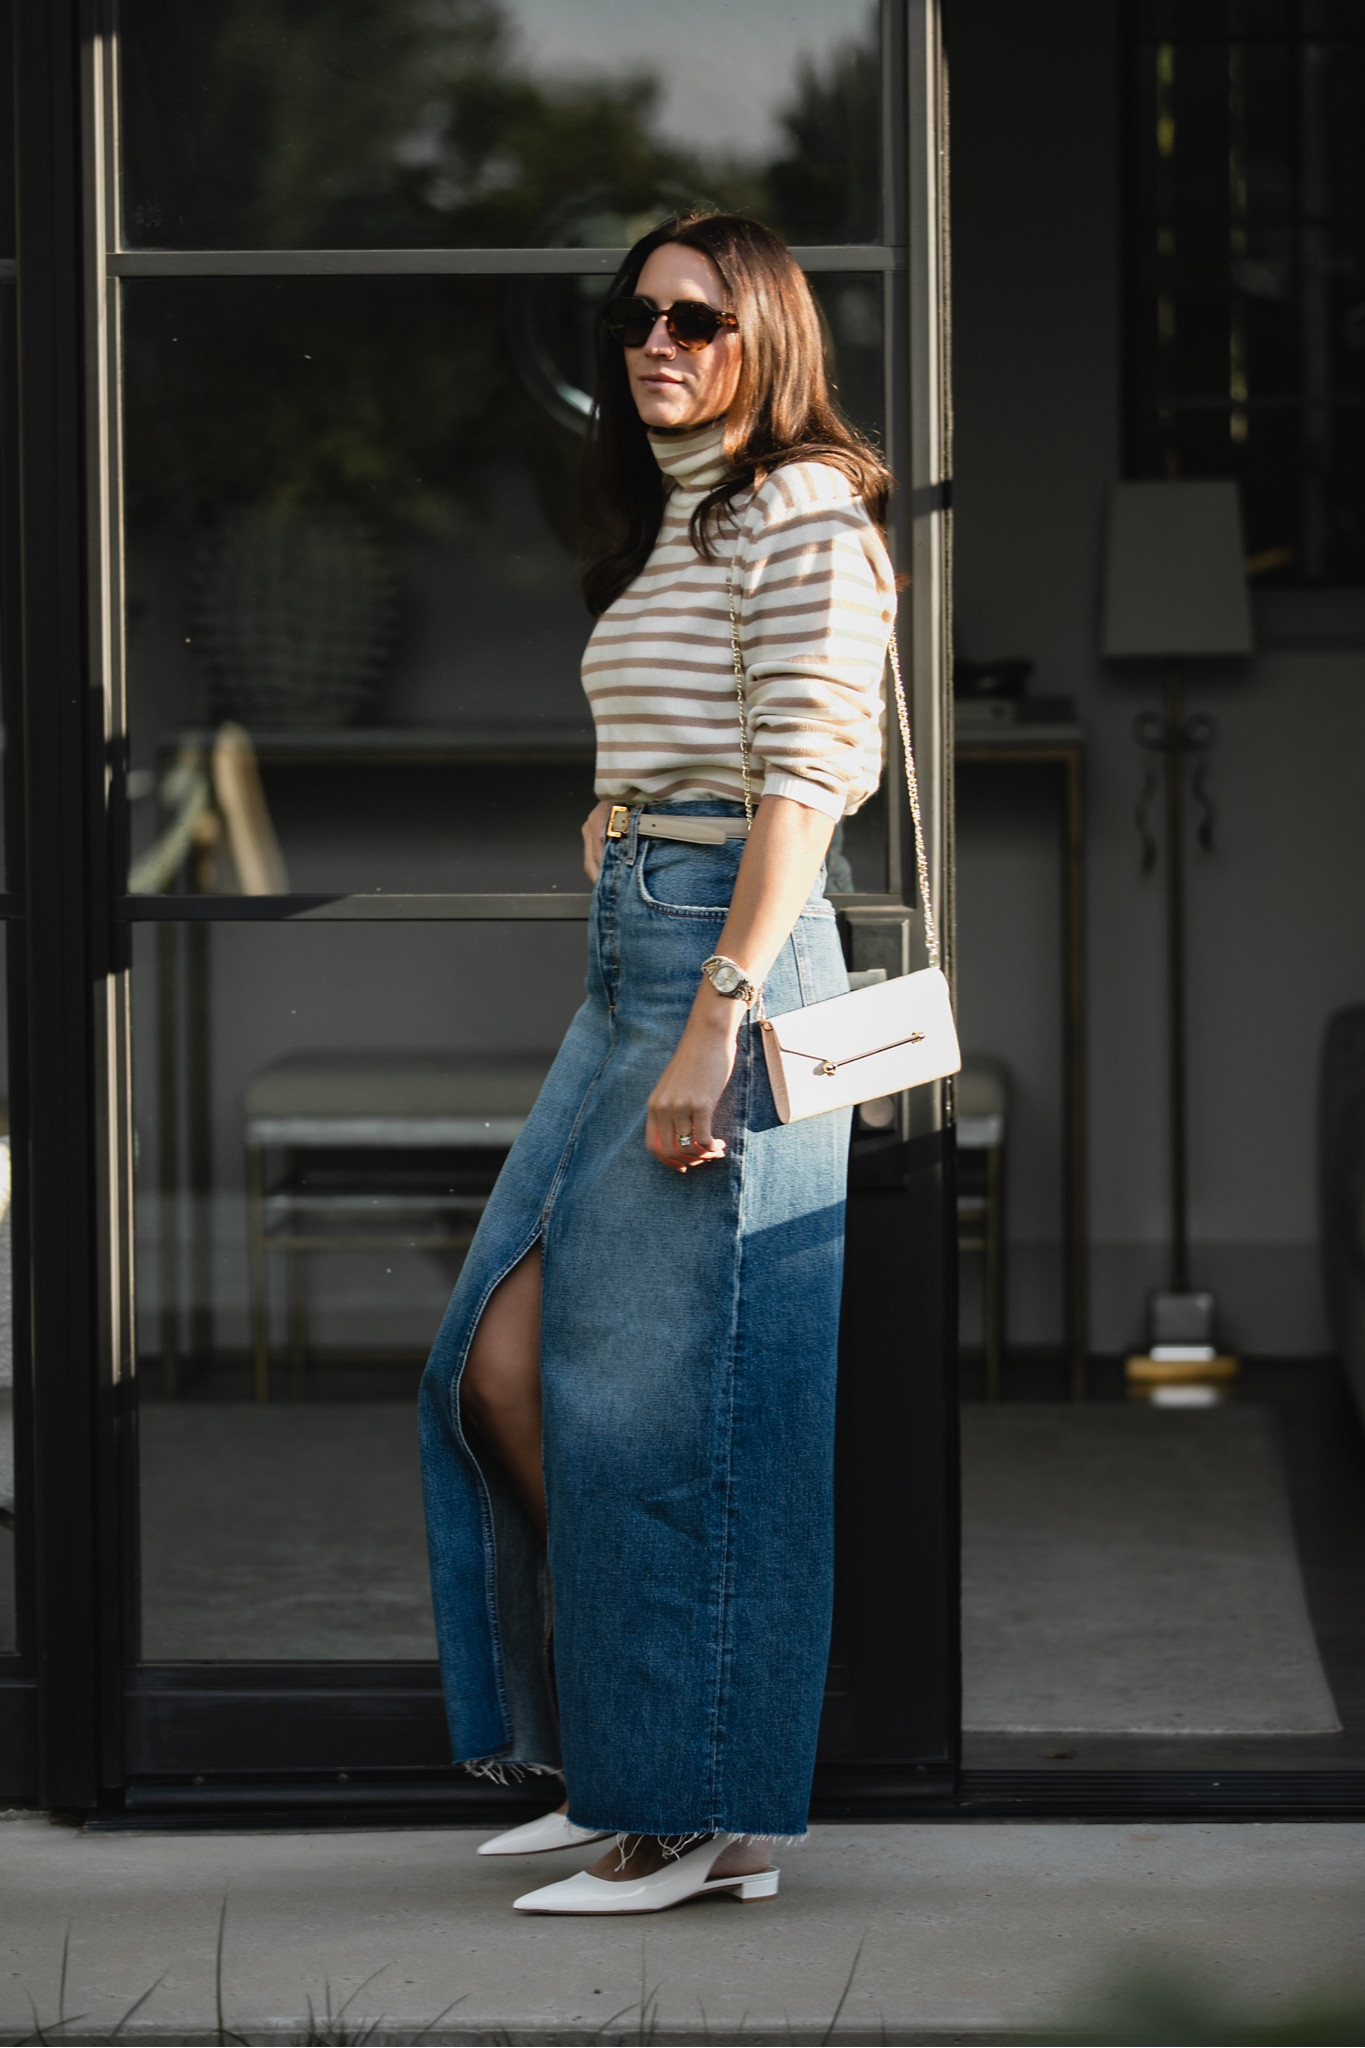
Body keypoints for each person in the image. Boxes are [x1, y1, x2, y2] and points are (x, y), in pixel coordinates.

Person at [419, 211, 896, 1915]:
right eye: (634, 316)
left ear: (766, 332)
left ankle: (692, 1811)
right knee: (503, 1367)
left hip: (719, 979)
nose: (659, 342)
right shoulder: (684, 512)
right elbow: (693, 737)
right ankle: (642, 1759)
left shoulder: (804, 512)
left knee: (665, 1417)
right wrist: (618, 818)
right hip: (636, 953)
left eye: (697, 317)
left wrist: (715, 1020)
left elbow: (801, 785)